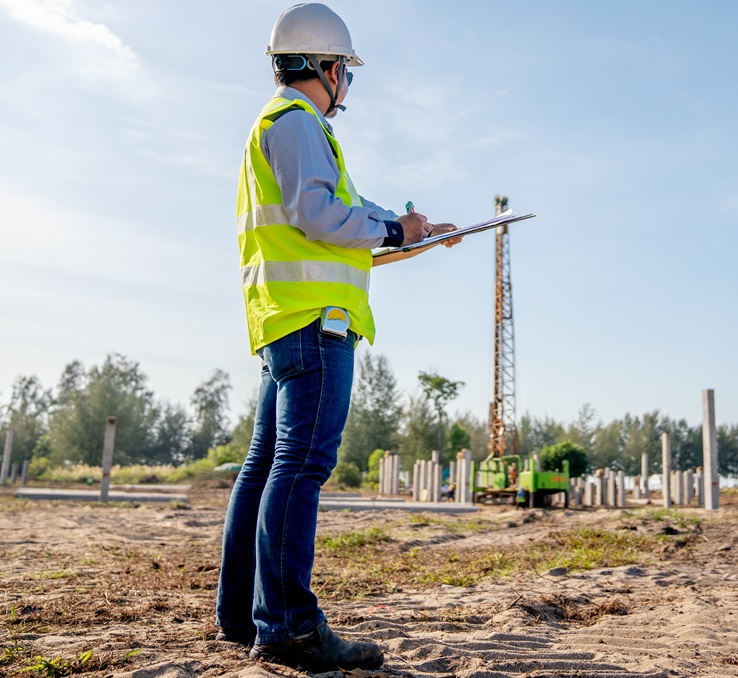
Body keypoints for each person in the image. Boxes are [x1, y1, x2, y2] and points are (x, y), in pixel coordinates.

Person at [215, 4, 459, 671]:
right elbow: (320, 214)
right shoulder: (296, 124)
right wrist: (390, 232)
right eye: (344, 71)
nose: (345, 85)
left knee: (264, 467)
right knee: (299, 468)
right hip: (315, 329)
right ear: (325, 68)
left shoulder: (276, 128)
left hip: (284, 322)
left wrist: (407, 227)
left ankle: (241, 618)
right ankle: (288, 626)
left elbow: (327, 214)